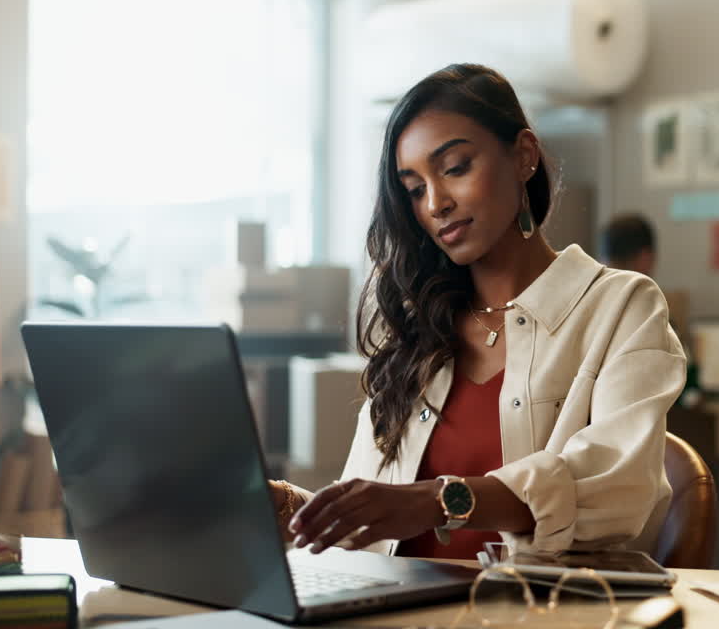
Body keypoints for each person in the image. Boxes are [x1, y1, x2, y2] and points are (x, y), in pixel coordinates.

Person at [271, 64, 685, 561]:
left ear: (524, 157)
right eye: (415, 189)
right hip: (398, 612)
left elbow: (619, 491)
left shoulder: (621, 307)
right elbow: (382, 517)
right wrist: (291, 508)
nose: (436, 204)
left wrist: (441, 501)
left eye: (455, 168)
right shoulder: (418, 330)